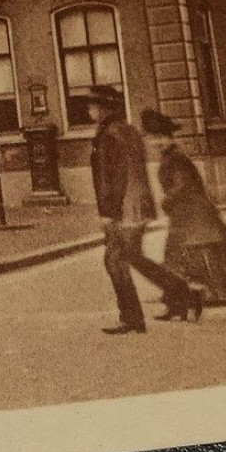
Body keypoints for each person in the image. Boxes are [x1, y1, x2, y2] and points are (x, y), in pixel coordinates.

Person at [141, 108, 226, 321]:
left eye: (161, 138)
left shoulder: (176, 158)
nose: (157, 142)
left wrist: (167, 201)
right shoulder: (170, 157)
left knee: (215, 261)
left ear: (170, 137)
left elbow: (183, 186)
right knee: (178, 261)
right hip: (186, 217)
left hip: (196, 215)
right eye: (153, 138)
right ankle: (178, 305)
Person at [89, 85, 199, 334]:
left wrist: (109, 211)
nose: (89, 110)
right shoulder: (128, 131)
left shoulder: (108, 135)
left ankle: (131, 317)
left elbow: (113, 177)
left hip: (124, 209)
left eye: (92, 106)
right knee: (133, 257)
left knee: (114, 260)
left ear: (102, 108)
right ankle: (182, 293)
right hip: (139, 205)